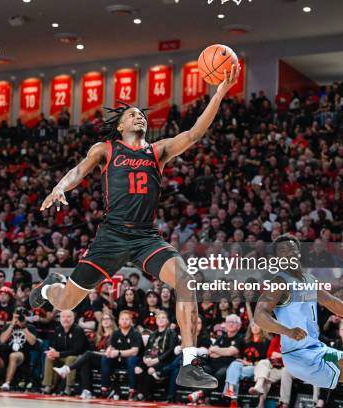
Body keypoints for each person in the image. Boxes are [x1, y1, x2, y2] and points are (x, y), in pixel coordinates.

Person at [31, 64, 242, 390]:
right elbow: (78, 170)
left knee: (186, 280)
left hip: (145, 236)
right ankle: (46, 289)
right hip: (112, 235)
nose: (139, 117)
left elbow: (195, 133)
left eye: (141, 114)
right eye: (131, 115)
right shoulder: (105, 149)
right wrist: (61, 186)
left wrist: (220, 93)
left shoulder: (158, 151)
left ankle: (190, 363)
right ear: (119, 125)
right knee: (66, 303)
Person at [254, 234, 343, 408]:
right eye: (282, 251)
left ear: (298, 252)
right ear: (277, 259)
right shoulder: (279, 282)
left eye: (291, 248)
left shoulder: (309, 281)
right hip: (299, 354)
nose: (288, 253)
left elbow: (333, 303)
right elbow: (260, 315)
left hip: (316, 348)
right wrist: (288, 331)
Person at [54, 311, 117, 399]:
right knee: (84, 360)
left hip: (110, 360)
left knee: (88, 354)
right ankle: (87, 390)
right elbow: (96, 350)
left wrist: (96, 353)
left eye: (108, 319)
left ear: (112, 321)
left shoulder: (116, 334)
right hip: (99, 359)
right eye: (103, 319)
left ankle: (67, 369)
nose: (105, 321)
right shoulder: (99, 335)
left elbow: (111, 352)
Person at [41, 310, 88, 395]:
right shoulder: (58, 330)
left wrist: (59, 354)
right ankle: (48, 385)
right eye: (63, 317)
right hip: (63, 356)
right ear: (60, 319)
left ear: (73, 319)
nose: (65, 319)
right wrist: (52, 352)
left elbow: (77, 351)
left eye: (68, 317)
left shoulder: (78, 330)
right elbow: (54, 346)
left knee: (71, 358)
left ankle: (69, 387)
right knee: (49, 357)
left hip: (79, 358)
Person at [101, 310, 143, 399]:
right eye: (122, 319)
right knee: (105, 358)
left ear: (131, 321)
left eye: (127, 319)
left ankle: (132, 390)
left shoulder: (135, 333)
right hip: (119, 359)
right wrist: (108, 351)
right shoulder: (116, 333)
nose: (124, 321)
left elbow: (134, 351)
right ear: (119, 321)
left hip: (135, 359)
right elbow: (112, 346)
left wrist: (119, 353)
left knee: (131, 359)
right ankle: (106, 388)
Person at [0, 309, 40, 391]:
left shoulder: (30, 327)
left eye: (21, 316)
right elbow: (2, 340)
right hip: (6, 353)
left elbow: (33, 342)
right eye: (16, 315)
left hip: (23, 354)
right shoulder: (7, 326)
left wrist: (23, 327)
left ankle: (7, 383)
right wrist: (12, 325)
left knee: (13, 356)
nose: (18, 317)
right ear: (13, 315)